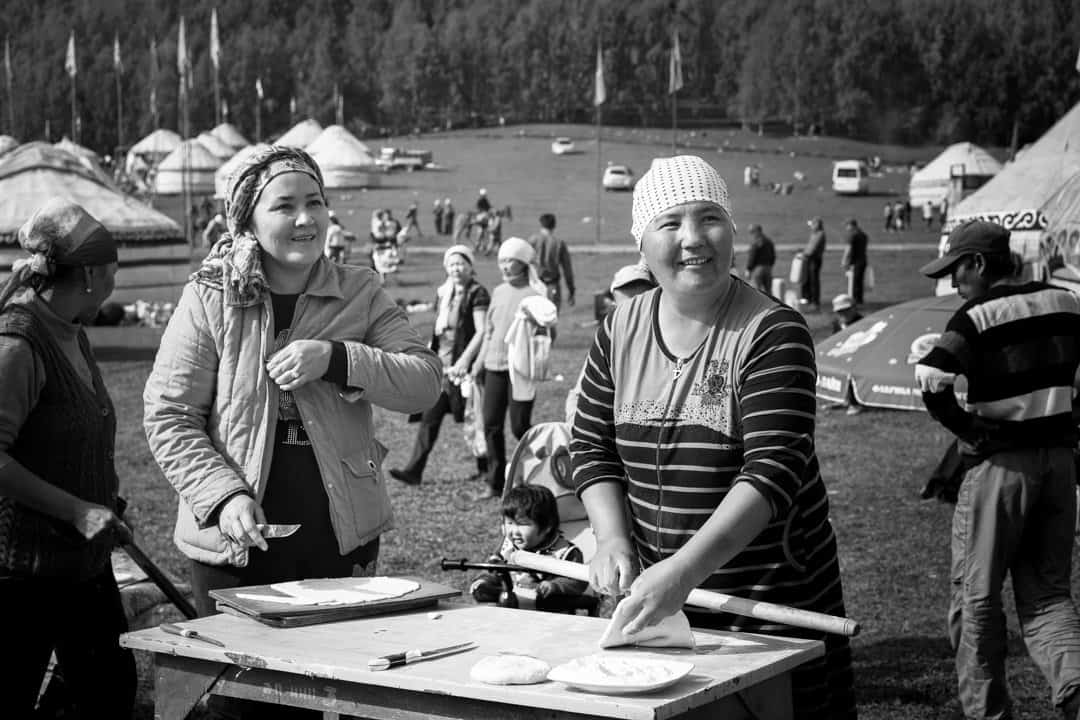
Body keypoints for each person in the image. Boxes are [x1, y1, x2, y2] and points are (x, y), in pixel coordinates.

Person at [143, 147, 441, 718]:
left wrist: (337, 358)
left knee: (325, 696)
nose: (306, 219)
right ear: (249, 217)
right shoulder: (211, 296)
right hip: (234, 545)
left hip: (336, 540)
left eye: (316, 203)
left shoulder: (360, 290)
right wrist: (222, 495)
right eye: (285, 206)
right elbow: (167, 413)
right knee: (240, 703)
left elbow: (425, 383)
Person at [571, 155, 856, 719]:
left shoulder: (773, 332)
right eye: (670, 223)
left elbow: (771, 475)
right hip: (666, 615)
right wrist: (612, 540)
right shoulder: (619, 328)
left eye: (710, 218)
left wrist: (682, 571)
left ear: (732, 228)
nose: (693, 239)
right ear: (642, 244)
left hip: (769, 610)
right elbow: (591, 446)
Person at [914, 219, 1080, 720]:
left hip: (1000, 469)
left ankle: (987, 712)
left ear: (980, 264)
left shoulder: (975, 317)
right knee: (1050, 595)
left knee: (977, 598)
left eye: (957, 270)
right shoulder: (1068, 302)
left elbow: (932, 378)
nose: (953, 282)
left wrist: (969, 430)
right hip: (1059, 467)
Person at [0, 199, 136, 717]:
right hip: (20, 575)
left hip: (82, 564)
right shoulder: (18, 343)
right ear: (89, 275)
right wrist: (77, 510)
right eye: (112, 273)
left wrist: (104, 504)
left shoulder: (72, 330)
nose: (113, 285)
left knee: (109, 695)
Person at [390, 245, 490, 486]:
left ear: (470, 266)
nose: (456, 268)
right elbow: (439, 332)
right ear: (446, 267)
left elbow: (482, 331)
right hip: (442, 368)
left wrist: (466, 360)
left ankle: (488, 471)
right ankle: (414, 471)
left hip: (466, 368)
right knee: (430, 418)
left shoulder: (478, 293)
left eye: (461, 263)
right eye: (452, 264)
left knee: (476, 420)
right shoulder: (444, 293)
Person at [471, 237, 549, 501]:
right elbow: (489, 332)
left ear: (524, 262)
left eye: (510, 261)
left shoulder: (536, 295)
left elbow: (548, 334)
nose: (504, 266)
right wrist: (478, 362)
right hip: (493, 367)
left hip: (520, 371)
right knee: (491, 424)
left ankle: (541, 471)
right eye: (501, 261)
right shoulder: (499, 292)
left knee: (519, 427)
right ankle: (495, 483)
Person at [469, 484, 589, 613]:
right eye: (509, 523)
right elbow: (494, 568)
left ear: (547, 526)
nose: (514, 531)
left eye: (522, 524)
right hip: (510, 608)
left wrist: (554, 586)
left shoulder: (565, 553)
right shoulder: (508, 547)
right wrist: (485, 581)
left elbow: (578, 582)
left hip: (549, 614)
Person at [528, 213, 575, 310]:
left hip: (535, 285)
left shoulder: (532, 240)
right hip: (552, 286)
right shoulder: (559, 243)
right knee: (551, 319)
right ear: (554, 225)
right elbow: (567, 269)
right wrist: (571, 290)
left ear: (541, 224)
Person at [841, 218, 869, 305]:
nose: (846, 228)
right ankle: (860, 300)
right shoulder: (864, 235)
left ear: (852, 226)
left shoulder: (853, 235)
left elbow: (848, 249)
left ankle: (855, 301)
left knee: (854, 283)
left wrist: (844, 260)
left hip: (856, 262)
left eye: (847, 226)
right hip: (863, 260)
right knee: (859, 282)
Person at [802, 216, 826, 311]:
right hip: (809, 260)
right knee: (808, 280)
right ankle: (808, 299)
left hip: (814, 260)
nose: (811, 227)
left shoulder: (820, 234)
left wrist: (804, 254)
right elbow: (809, 247)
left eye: (812, 225)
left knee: (814, 281)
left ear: (816, 225)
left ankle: (815, 302)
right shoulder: (814, 234)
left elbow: (813, 249)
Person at [745, 223, 775, 294]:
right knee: (769, 291)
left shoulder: (755, 242)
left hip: (758, 269)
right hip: (768, 268)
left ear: (757, 231)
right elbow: (773, 256)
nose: (751, 234)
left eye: (752, 232)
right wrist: (770, 265)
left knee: (756, 292)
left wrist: (748, 269)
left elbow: (752, 256)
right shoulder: (769, 241)